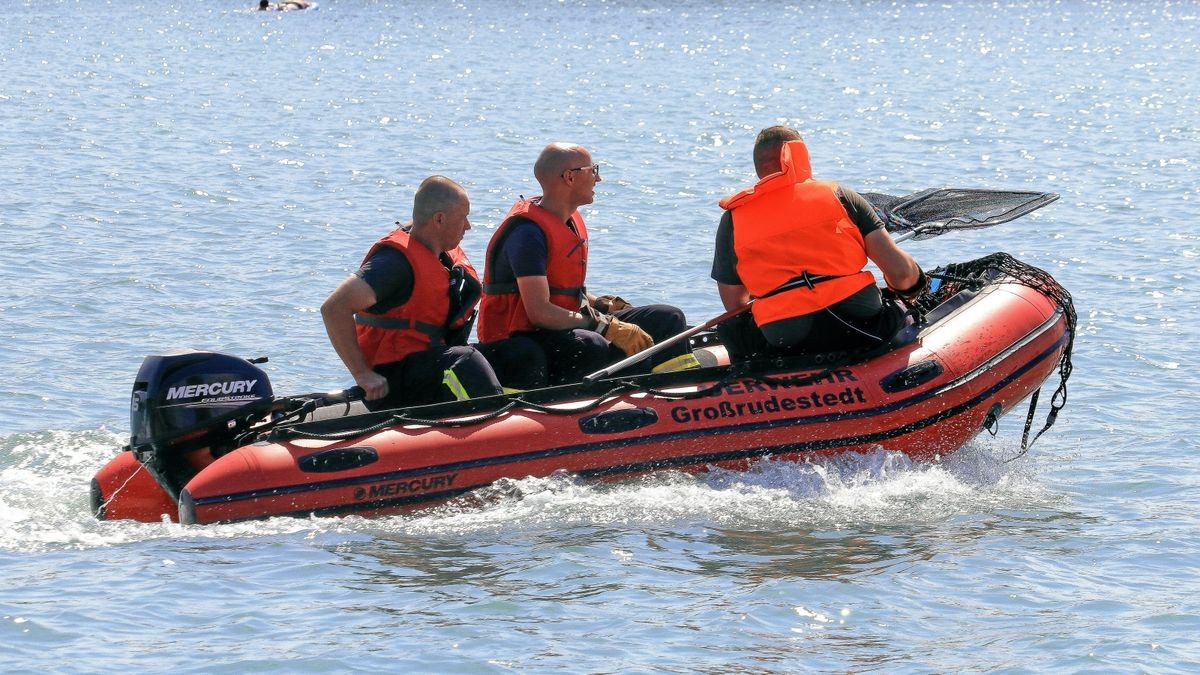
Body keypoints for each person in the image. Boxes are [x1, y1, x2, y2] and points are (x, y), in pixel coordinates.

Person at [477, 142, 696, 384]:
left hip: (560, 326)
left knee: (667, 318)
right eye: (593, 170)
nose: (598, 178)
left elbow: (563, 290)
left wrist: (602, 305)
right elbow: (539, 312)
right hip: (522, 339)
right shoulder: (528, 234)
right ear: (570, 177)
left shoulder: (567, 220)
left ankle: (680, 396)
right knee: (590, 343)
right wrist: (606, 326)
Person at [322, 176, 545, 410]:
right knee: (466, 361)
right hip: (393, 380)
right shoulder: (393, 264)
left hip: (432, 359)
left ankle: (529, 422)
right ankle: (498, 432)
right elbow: (334, 308)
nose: (468, 226)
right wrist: (363, 375)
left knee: (523, 353)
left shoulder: (441, 254)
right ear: (439, 219)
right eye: (463, 218)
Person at [711, 126, 926, 360]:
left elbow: (734, 304)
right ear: (801, 156)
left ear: (758, 167)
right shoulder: (839, 195)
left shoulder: (733, 219)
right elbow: (902, 273)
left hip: (784, 334)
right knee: (907, 316)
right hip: (858, 318)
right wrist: (912, 286)